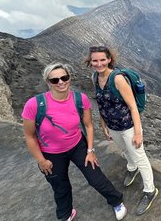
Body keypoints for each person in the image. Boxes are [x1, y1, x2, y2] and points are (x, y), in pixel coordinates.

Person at [22, 63, 127, 221]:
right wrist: (41, 160)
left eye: (64, 78)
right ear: (48, 82)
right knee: (60, 187)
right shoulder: (34, 105)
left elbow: (88, 126)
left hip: (78, 146)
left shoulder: (80, 99)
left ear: (69, 78)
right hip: (51, 154)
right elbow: (29, 136)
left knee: (95, 178)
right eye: (54, 80)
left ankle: (116, 201)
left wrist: (90, 151)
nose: (60, 82)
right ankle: (65, 214)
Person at [85, 45, 158, 216]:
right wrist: (103, 124)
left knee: (140, 156)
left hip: (128, 127)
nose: (99, 63)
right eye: (95, 60)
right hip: (112, 126)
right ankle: (131, 167)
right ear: (90, 62)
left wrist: (138, 133)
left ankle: (150, 190)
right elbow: (101, 102)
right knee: (125, 150)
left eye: (102, 59)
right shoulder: (94, 77)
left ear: (109, 59)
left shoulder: (117, 79)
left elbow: (133, 107)